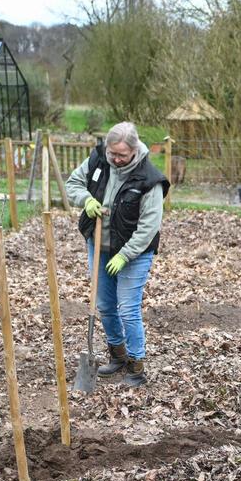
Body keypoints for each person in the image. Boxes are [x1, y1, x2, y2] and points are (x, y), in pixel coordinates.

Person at [65, 121, 170, 388]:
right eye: (113, 153)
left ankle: (137, 364)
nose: (116, 159)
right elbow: (73, 183)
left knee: (128, 309)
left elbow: (149, 226)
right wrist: (86, 200)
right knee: (105, 305)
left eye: (121, 155)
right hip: (99, 244)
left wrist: (125, 255)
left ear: (134, 150)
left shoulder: (149, 179)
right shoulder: (99, 159)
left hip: (134, 252)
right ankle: (118, 355)